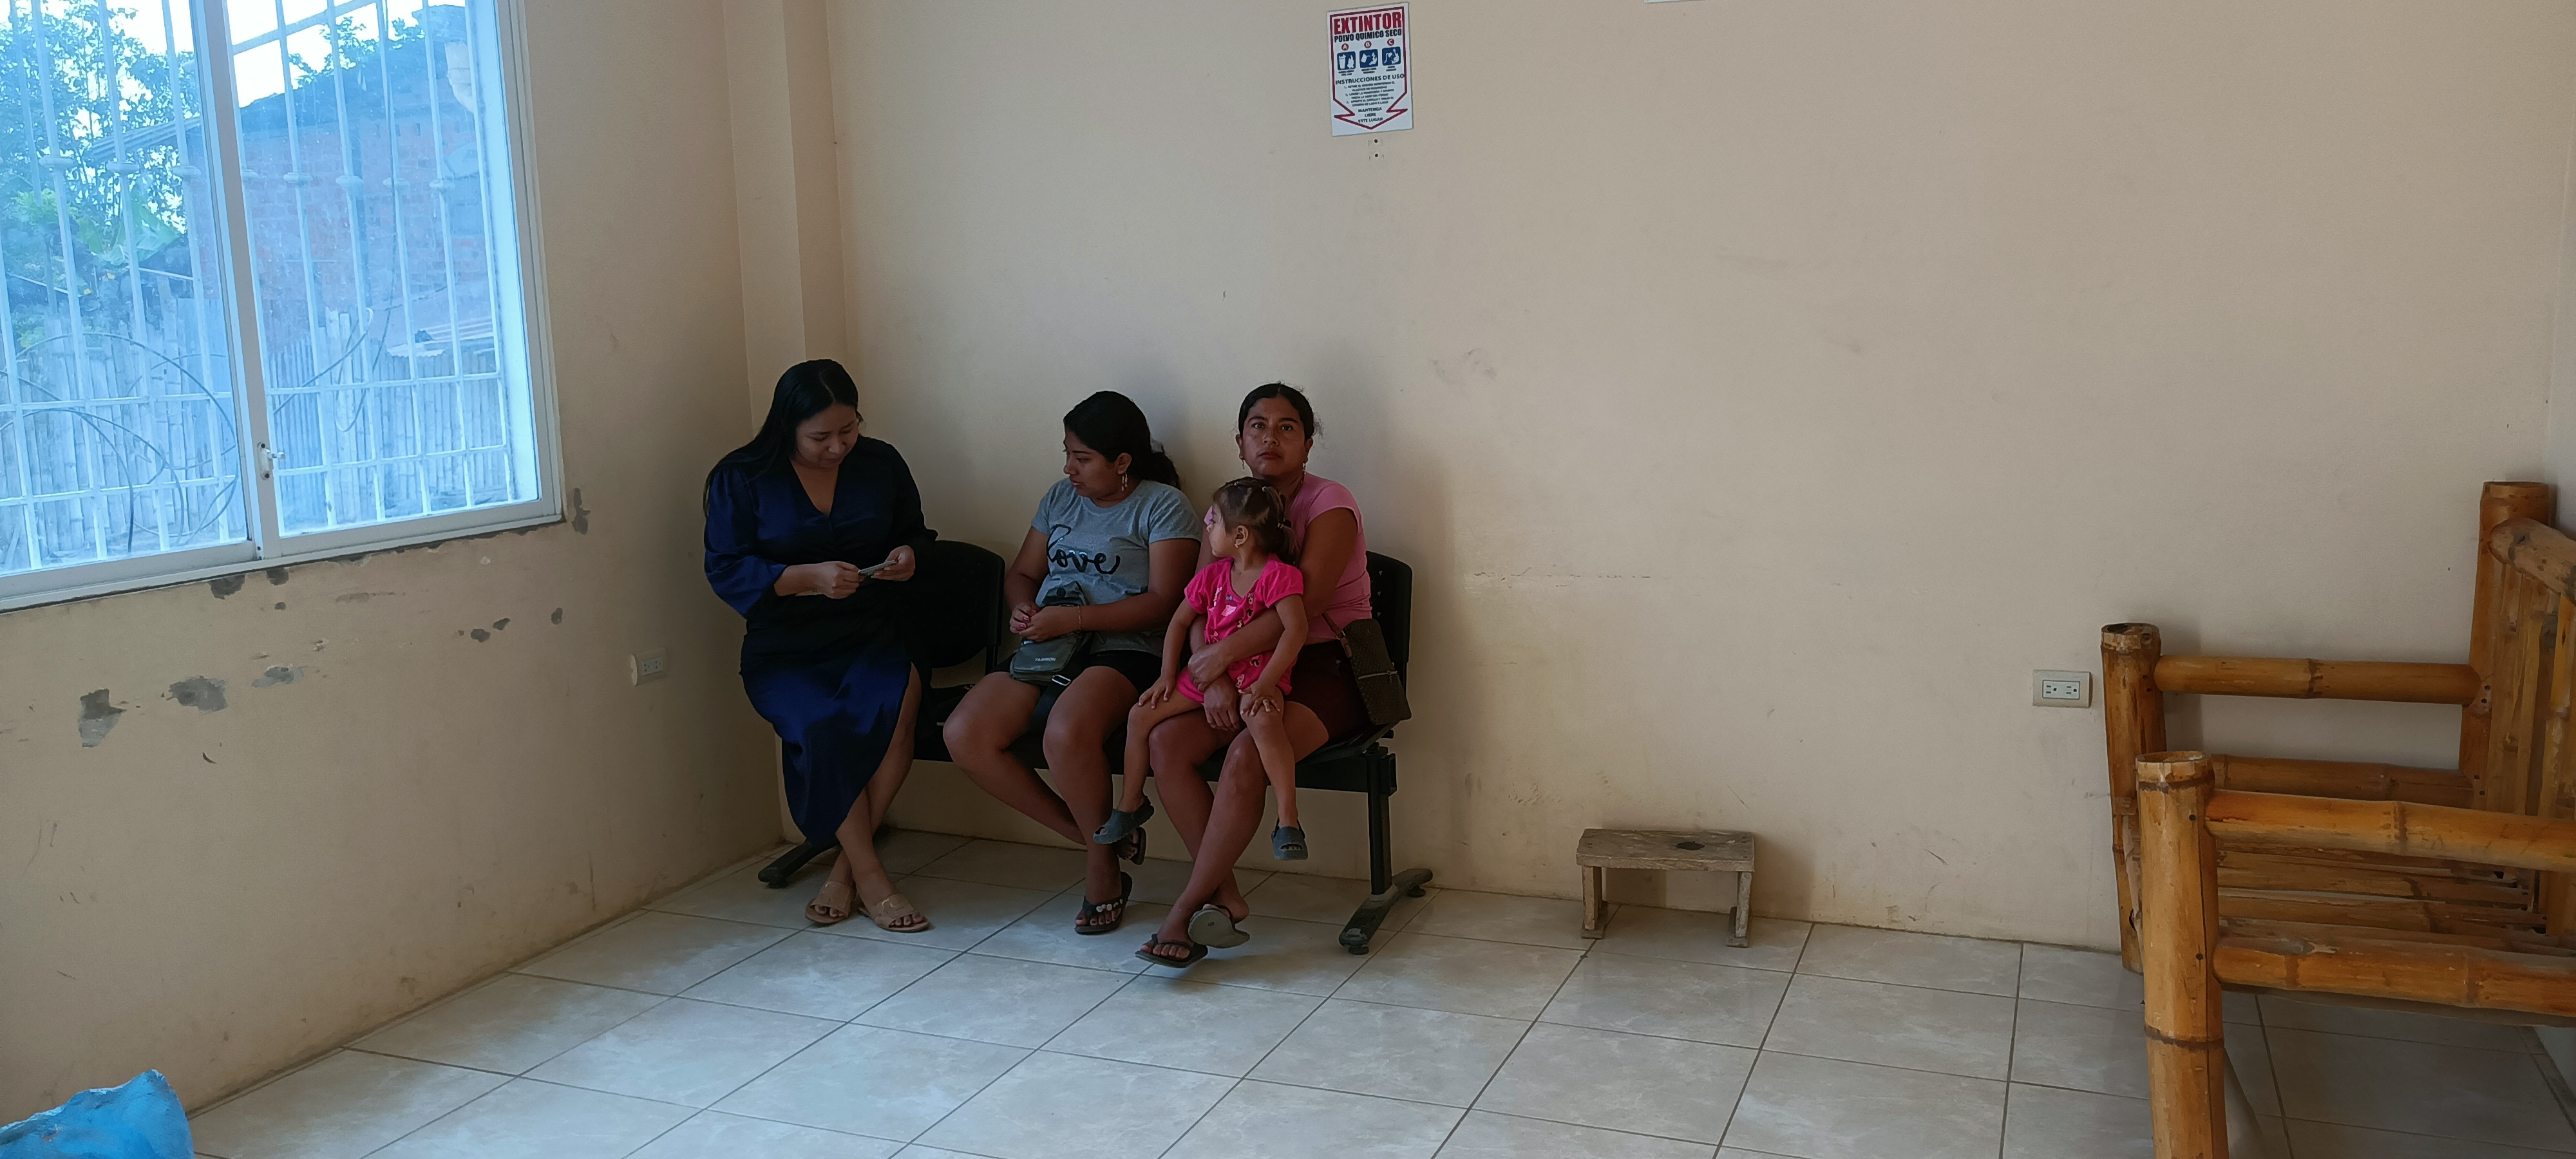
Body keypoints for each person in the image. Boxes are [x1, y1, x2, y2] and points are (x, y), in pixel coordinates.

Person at [940, 391, 1198, 934]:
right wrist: (1024, 609)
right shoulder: (1060, 499)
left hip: (1126, 650)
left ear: (1122, 461)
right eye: (1067, 454)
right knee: (966, 734)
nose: (1069, 469)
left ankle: (1101, 867)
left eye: (1082, 458)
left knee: (1065, 731)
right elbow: (1022, 574)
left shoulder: (1163, 505)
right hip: (1048, 644)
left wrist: (1077, 620)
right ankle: (1097, 838)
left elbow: (1165, 602)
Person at [1138, 384, 1375, 966]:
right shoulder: (1228, 508)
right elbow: (1198, 605)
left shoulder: (1330, 502)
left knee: (1248, 753)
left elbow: (1307, 606)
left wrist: (1219, 659)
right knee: (1166, 742)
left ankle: (1184, 912)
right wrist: (1213, 674)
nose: (1271, 437)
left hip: (1325, 664)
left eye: (1287, 427)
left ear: (1308, 444)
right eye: (1258, 426)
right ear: (1241, 442)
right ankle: (1225, 896)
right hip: (1238, 667)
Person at [703, 359, 932, 934]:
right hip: (787, 644)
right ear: (787, 426)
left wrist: (909, 556)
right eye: (820, 436)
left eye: (848, 430)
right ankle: (871, 875)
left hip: (874, 628)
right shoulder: (741, 477)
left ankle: (847, 871)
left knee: (897, 710)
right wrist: (805, 577)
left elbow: (915, 532)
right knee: (822, 728)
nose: (837, 447)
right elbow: (725, 567)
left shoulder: (881, 462)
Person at [1097, 480, 1311, 903]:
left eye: (1213, 521)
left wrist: (1268, 682)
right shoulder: (1212, 576)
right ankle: (1131, 803)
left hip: (1257, 678)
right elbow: (1179, 623)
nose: (1207, 526)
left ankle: (1288, 819)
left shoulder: (1278, 577)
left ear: (1240, 535)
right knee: (1141, 715)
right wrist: (1166, 676)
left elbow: (1296, 630)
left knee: (1265, 723)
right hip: (1206, 680)